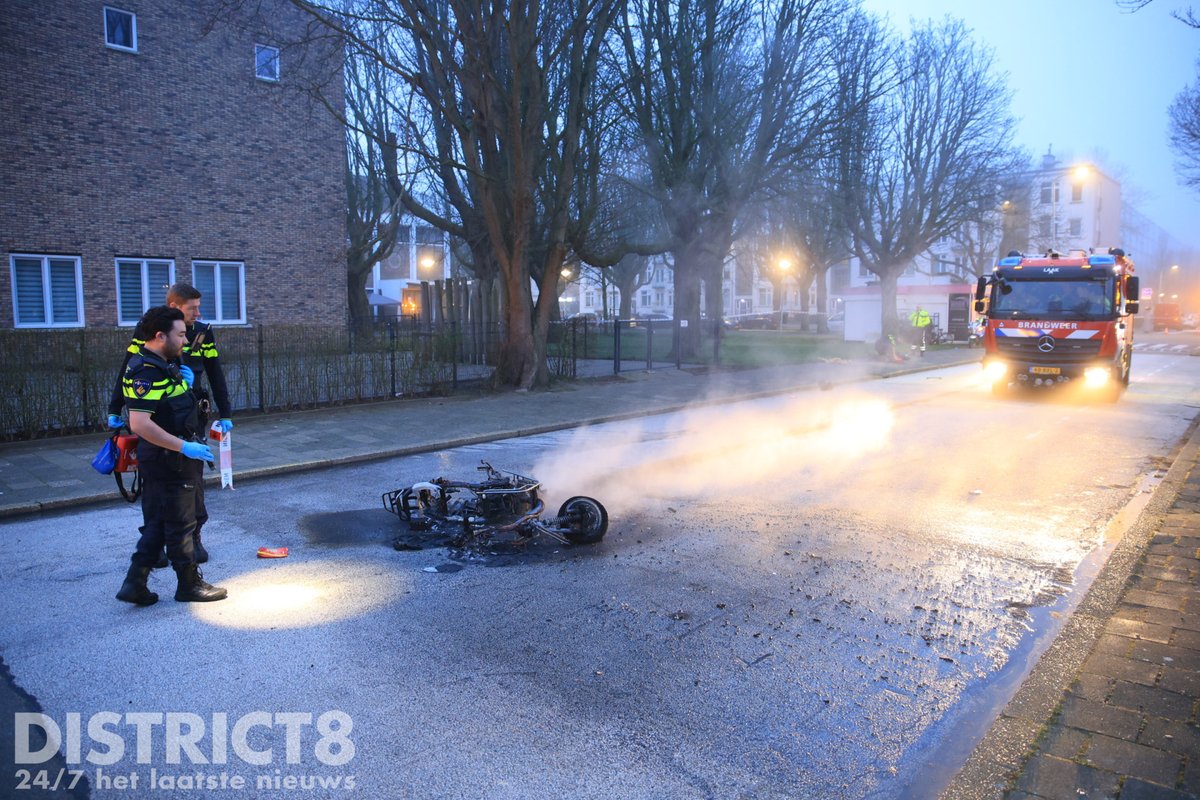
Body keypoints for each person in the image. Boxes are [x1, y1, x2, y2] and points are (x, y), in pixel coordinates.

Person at [107, 283, 232, 564]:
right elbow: (128, 367)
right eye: (193, 309)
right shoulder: (151, 331)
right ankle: (156, 544)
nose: (198, 313)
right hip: (157, 416)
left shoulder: (203, 332)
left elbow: (215, 372)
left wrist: (226, 413)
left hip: (189, 415)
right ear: (175, 308)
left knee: (191, 481)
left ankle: (193, 538)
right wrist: (115, 407)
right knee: (155, 482)